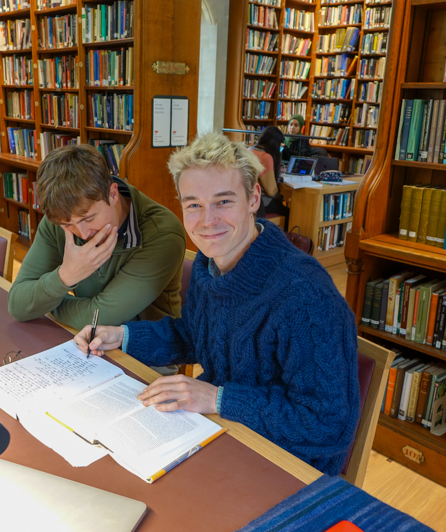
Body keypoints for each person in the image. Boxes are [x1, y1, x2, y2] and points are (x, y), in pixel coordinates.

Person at [74, 133, 360, 476]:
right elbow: (196, 336)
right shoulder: (209, 266)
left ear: (253, 198)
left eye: (223, 202)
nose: (207, 220)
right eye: (193, 204)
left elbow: (328, 425)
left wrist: (217, 399)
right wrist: (123, 336)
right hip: (223, 431)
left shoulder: (306, 294)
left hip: (289, 467)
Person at [8, 144, 186, 330]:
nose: (83, 234)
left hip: (144, 352)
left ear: (113, 194)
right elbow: (18, 305)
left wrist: (46, 303)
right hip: (87, 342)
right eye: (68, 225)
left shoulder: (162, 233)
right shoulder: (63, 214)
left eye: (89, 218)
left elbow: (101, 317)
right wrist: (65, 276)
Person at [248, 126, 289, 221]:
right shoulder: (265, 157)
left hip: (250, 200)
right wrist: (282, 196)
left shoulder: (249, 150)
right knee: (291, 212)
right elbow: (271, 191)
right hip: (263, 203)